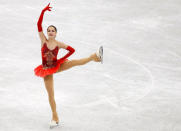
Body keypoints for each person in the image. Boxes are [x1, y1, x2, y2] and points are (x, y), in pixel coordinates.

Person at [34, 3, 103, 128]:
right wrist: (43, 11)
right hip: (46, 70)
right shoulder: (43, 40)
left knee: (74, 63)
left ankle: (94, 56)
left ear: (56, 33)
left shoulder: (59, 43)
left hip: (57, 65)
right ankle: (55, 117)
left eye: (52, 31)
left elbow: (72, 50)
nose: (50, 32)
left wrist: (61, 60)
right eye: (48, 30)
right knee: (51, 95)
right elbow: (38, 25)